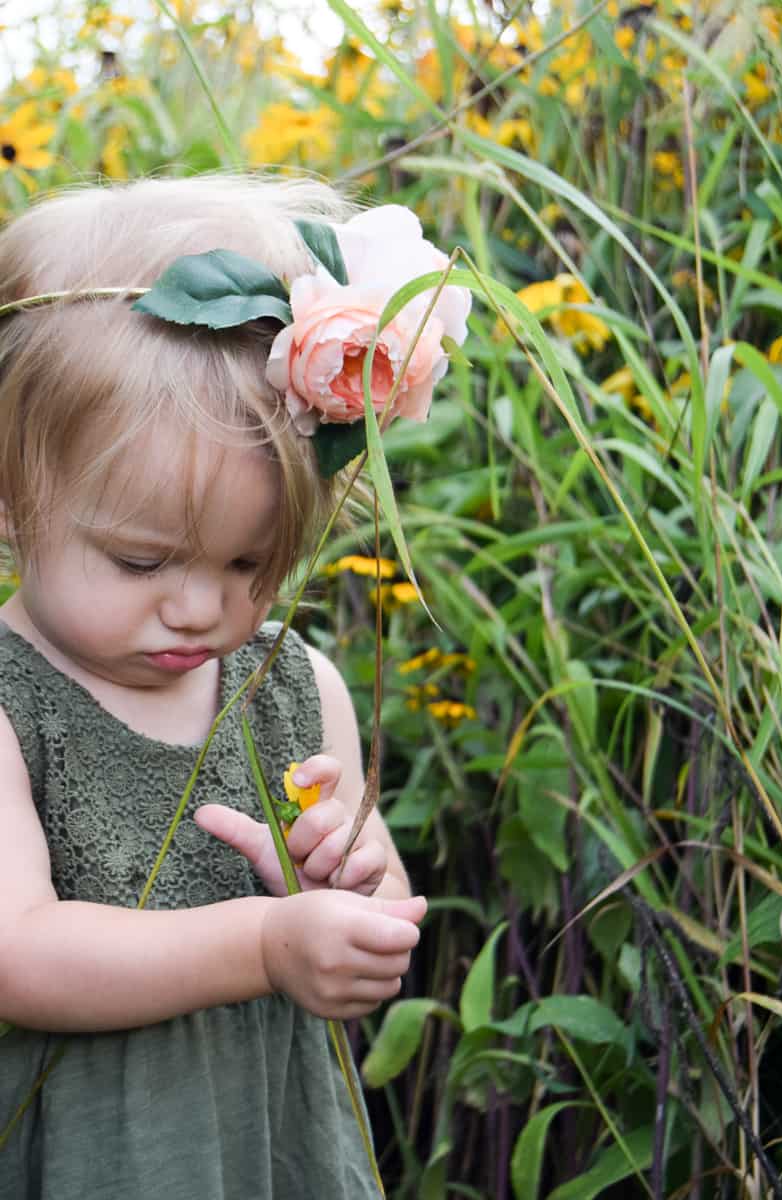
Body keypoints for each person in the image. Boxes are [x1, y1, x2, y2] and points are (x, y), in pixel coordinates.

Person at [0, 174, 471, 1199]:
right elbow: (16, 952)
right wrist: (264, 942)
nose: (201, 611)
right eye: (140, 562)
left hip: (267, 1151)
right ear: (10, 493)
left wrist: (358, 898)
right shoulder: (10, 702)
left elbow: (353, 910)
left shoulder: (298, 688)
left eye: (253, 565)